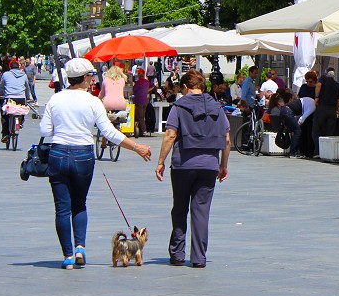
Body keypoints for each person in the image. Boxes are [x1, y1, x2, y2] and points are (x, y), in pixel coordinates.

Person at [41, 58, 152, 269]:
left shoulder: (55, 99)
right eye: (91, 76)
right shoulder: (92, 102)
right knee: (79, 203)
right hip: (83, 155)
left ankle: (68, 256)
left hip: (58, 153)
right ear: (84, 78)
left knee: (62, 208)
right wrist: (136, 147)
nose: (92, 79)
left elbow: (45, 130)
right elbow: (109, 132)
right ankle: (80, 247)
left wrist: (63, 129)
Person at [155, 69, 230, 268]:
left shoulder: (179, 106)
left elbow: (170, 135)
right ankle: (199, 257)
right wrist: (223, 165)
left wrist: (161, 161)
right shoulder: (217, 107)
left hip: (183, 164)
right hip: (209, 165)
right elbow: (227, 139)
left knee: (180, 208)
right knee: (201, 211)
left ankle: (177, 254)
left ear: (185, 87)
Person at [0, 58, 33, 145]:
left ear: (10, 67)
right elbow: (27, 88)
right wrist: (28, 97)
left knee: (4, 114)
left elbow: (1, 86)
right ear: (19, 67)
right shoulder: (24, 75)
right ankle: (20, 122)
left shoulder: (6, 74)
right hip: (21, 98)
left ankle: (5, 133)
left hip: (9, 98)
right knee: (21, 110)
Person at [312, 68, 339, 155]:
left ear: (326, 73)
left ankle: (317, 151)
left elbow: (318, 85)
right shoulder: (337, 84)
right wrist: (336, 109)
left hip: (322, 107)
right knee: (330, 132)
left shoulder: (323, 79)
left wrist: (317, 97)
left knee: (317, 130)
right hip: (332, 109)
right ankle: (328, 152)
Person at [132, 69, 152, 138]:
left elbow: (133, 90)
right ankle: (141, 131)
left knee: (140, 117)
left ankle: (143, 131)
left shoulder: (138, 82)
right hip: (145, 101)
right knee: (142, 116)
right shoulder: (146, 82)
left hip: (139, 101)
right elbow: (153, 86)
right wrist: (147, 91)